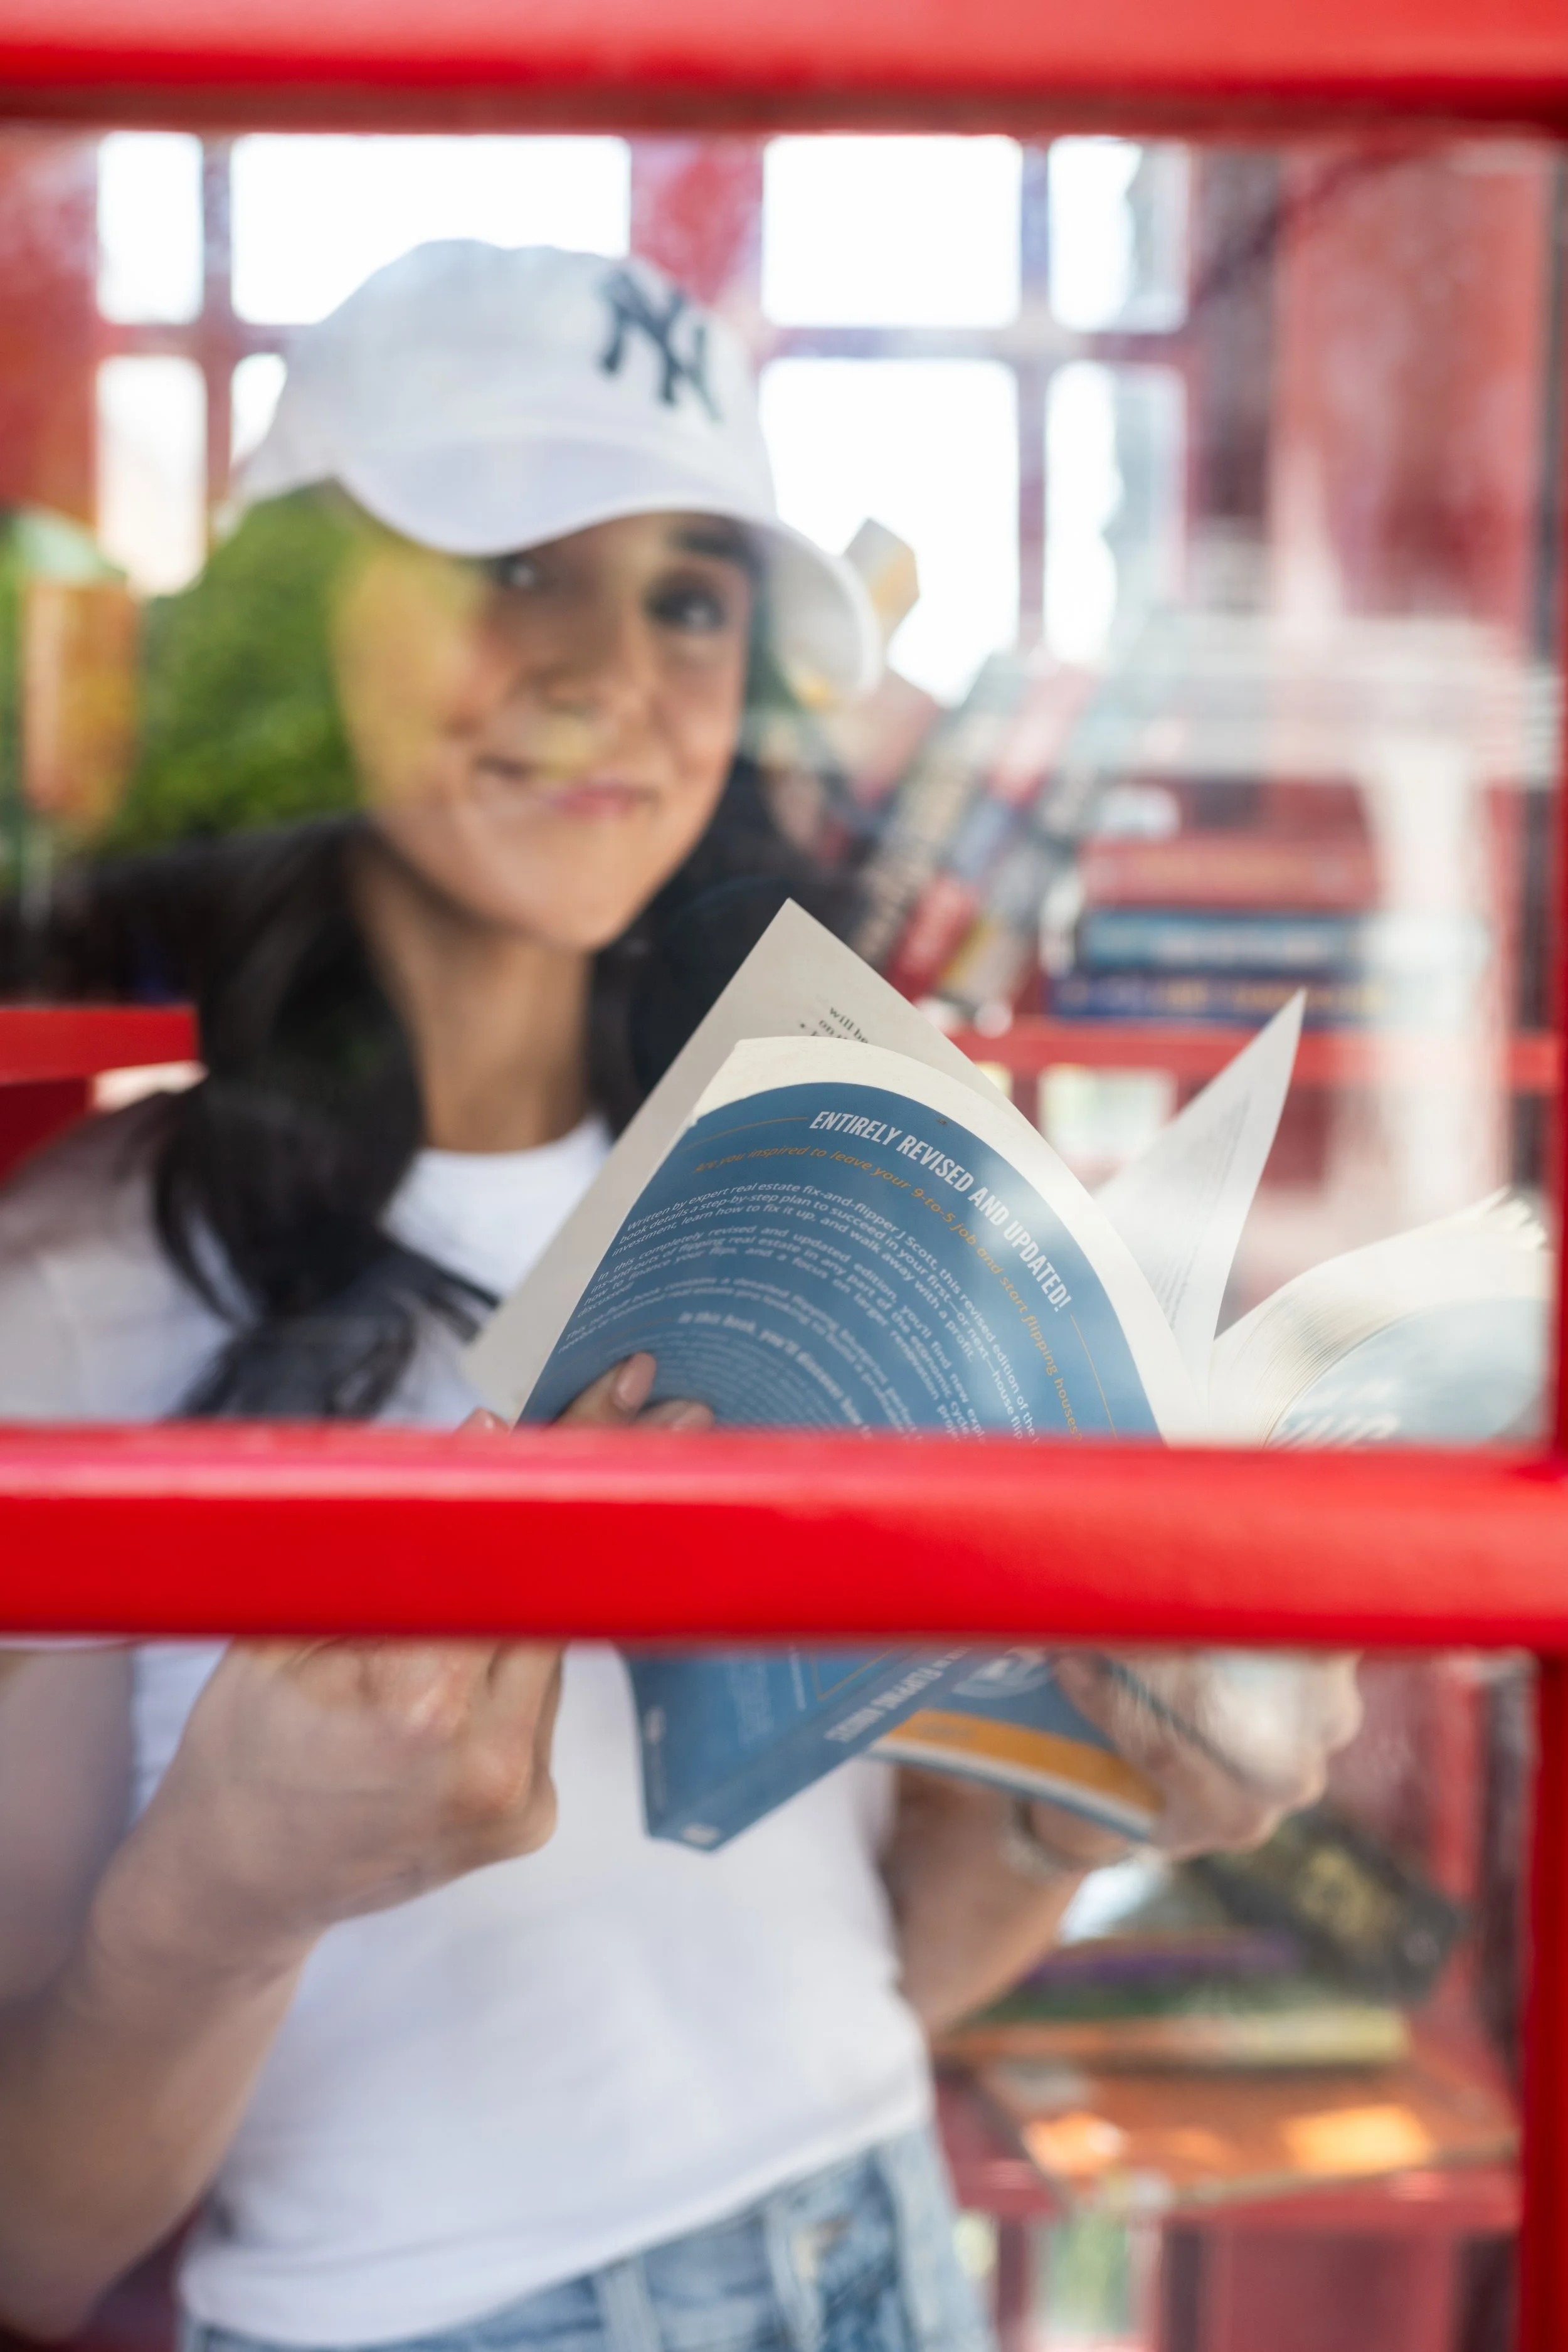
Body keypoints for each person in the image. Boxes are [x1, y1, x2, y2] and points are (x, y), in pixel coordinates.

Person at [0, 243, 1360, 2352]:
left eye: (688, 596)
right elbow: (26, 2250)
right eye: (514, 563)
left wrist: (1083, 1792)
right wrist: (219, 1897)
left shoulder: (804, 1182)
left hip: (887, 2251)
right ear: (288, 621)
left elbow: (860, 1965)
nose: (614, 674)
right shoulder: (76, 1284)